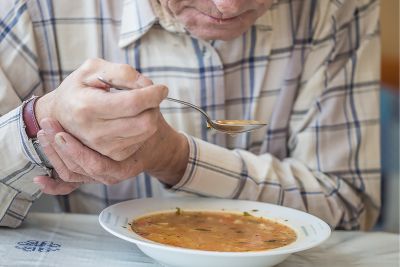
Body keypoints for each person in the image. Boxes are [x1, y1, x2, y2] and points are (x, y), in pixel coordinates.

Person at [0, 0, 380, 230]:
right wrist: (39, 120)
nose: (228, 6)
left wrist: (174, 158)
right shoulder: (34, 7)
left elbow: (349, 208)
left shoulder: (335, 9)